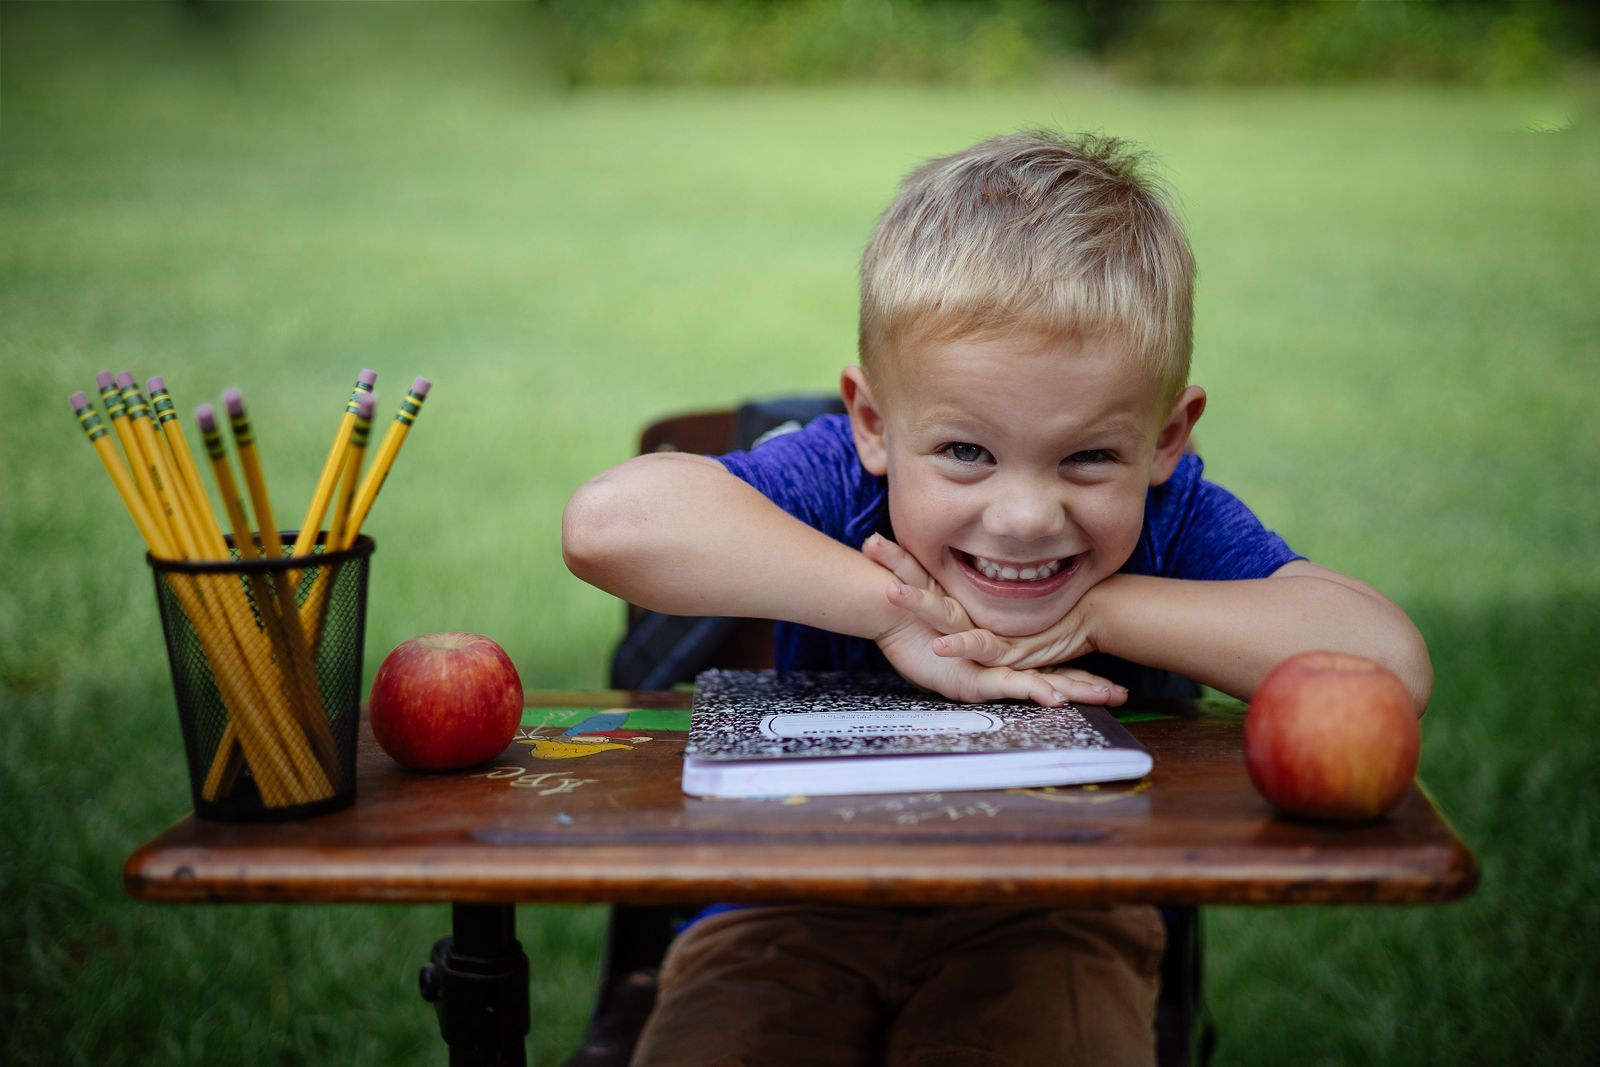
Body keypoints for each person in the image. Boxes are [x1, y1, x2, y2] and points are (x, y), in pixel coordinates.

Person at [563, 129, 1431, 1066]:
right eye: (967, 452)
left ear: (1166, 438)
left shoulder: (1170, 523)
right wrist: (891, 608)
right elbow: (610, 523)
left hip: (1058, 915)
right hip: (782, 902)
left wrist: (1108, 610)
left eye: (1089, 456)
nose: (1023, 517)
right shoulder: (843, 487)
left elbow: (1387, 662)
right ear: (872, 423)